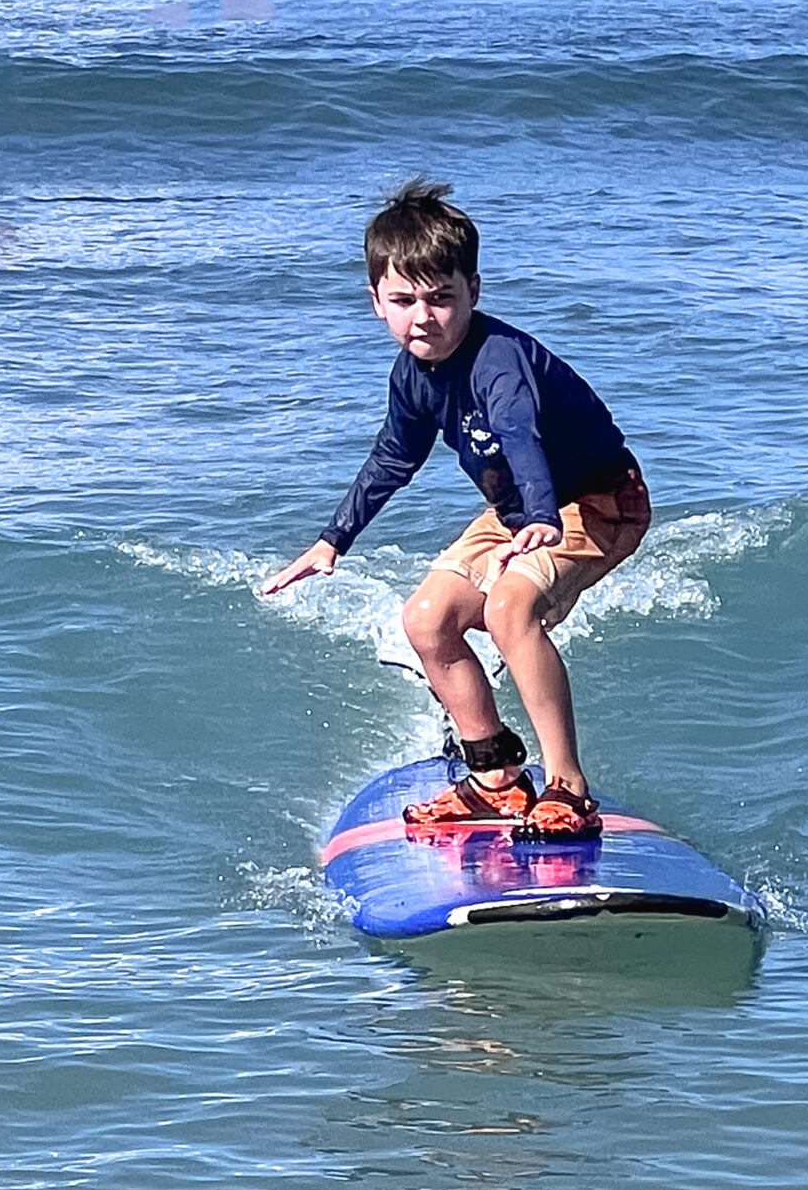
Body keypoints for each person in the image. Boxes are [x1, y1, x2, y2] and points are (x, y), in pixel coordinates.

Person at [262, 179, 650, 839]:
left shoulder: (497, 363)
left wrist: (539, 520)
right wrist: (333, 540)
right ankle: (495, 777)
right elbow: (392, 458)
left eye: (442, 298)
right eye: (403, 300)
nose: (424, 316)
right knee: (426, 619)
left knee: (507, 609)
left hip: (595, 501)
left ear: (474, 291)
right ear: (375, 302)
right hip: (519, 510)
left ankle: (567, 786)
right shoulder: (412, 376)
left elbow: (520, 433)